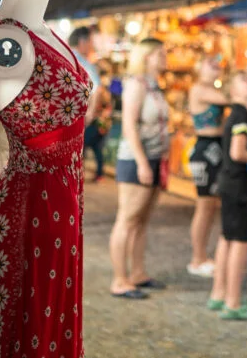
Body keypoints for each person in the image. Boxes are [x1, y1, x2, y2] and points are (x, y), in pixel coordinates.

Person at [109, 38, 169, 299]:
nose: (165, 58)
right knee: (127, 218)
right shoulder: (136, 84)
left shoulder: (154, 86)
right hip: (136, 159)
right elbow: (129, 126)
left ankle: (138, 273)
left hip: (154, 157)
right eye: (160, 54)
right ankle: (120, 279)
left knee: (141, 220)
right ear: (147, 57)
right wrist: (143, 162)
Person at [208, 71, 247, 320]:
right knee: (240, 243)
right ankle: (233, 301)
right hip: (239, 185)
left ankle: (219, 293)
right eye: (244, 79)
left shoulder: (240, 114)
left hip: (229, 184)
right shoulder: (242, 115)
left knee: (227, 238)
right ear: (233, 91)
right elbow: (238, 153)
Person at [186, 55, 231, 277]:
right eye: (209, 63)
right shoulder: (199, 89)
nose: (215, 66)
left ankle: (202, 255)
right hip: (205, 149)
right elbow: (228, 98)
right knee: (204, 206)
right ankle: (197, 258)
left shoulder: (211, 88)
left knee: (211, 206)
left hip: (216, 147)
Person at [70, 27, 107, 181]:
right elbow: (97, 89)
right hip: (78, 116)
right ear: (82, 42)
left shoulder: (65, 56)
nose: (92, 46)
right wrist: (91, 113)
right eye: (91, 42)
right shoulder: (84, 62)